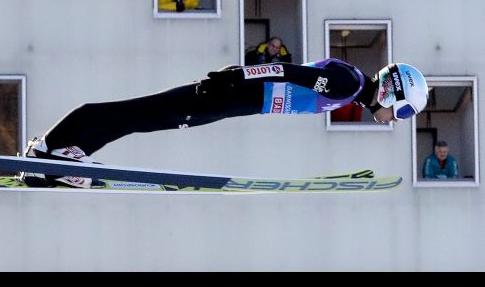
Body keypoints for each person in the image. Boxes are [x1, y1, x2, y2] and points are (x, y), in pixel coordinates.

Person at [26, 61, 429, 187]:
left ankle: (66, 158)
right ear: (392, 92)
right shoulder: (348, 82)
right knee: (138, 113)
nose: (395, 120)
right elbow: (290, 71)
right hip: (231, 95)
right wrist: (239, 75)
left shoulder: (351, 89)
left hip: (236, 103)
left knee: (139, 120)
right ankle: (49, 148)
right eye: (403, 111)